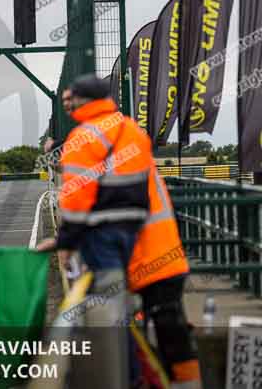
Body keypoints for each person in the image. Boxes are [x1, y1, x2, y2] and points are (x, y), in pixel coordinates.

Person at [35, 73, 153, 386]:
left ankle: (120, 375)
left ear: (85, 100)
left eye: (71, 100)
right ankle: (131, 373)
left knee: (106, 307)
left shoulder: (84, 136)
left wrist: (66, 242)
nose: (69, 107)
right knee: (119, 302)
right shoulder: (132, 130)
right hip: (134, 229)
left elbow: (75, 197)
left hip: (101, 232)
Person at [127, 165, 200, 387]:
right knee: (171, 335)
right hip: (165, 260)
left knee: (165, 337)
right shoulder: (138, 156)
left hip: (149, 265)